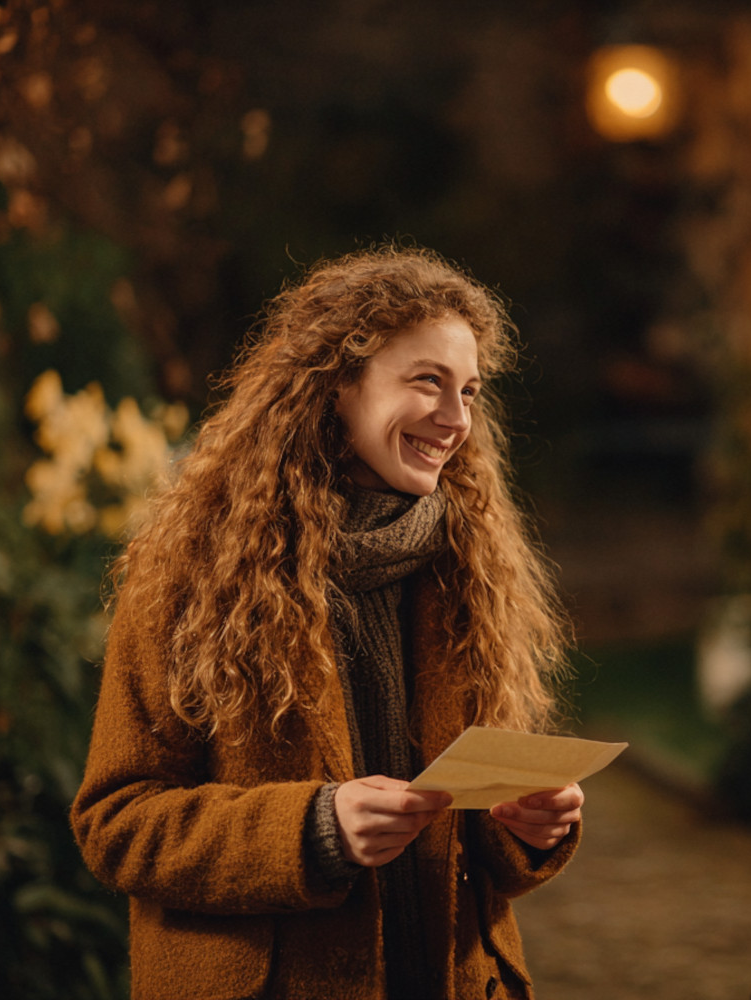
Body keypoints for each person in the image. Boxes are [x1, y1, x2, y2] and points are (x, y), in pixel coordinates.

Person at [71, 245, 582, 1000]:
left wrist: (526, 826)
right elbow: (117, 824)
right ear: (337, 385)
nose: (456, 420)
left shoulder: (467, 569)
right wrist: (313, 831)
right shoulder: (194, 575)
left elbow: (474, 846)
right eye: (427, 383)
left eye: (469, 392)